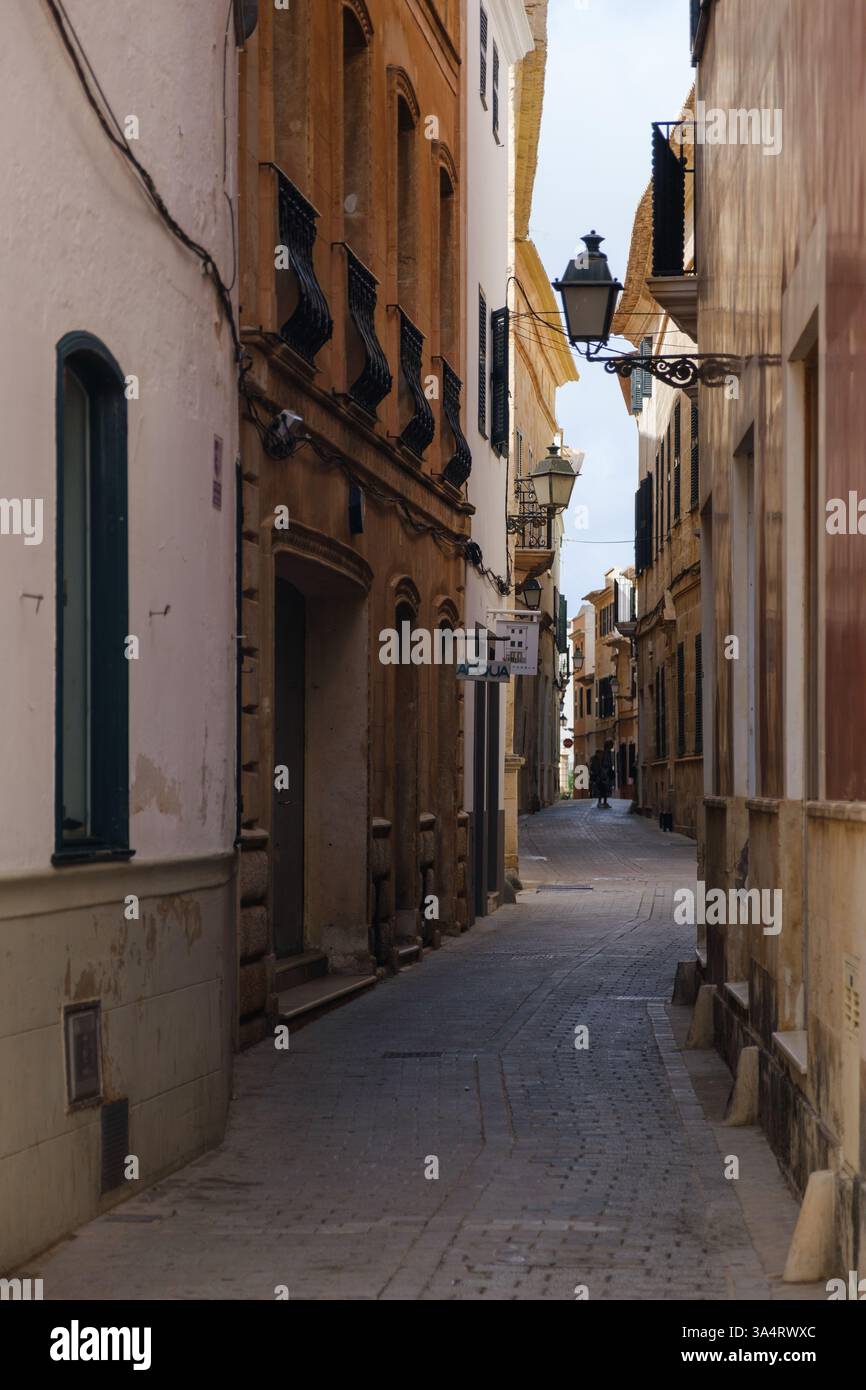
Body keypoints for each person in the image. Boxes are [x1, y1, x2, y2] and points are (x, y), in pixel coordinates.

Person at [599, 739, 615, 808]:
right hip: (606, 772)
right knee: (605, 787)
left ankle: (601, 802)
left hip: (604, 771)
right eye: (612, 745)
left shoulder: (604, 752)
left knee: (603, 787)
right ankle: (604, 802)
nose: (612, 746)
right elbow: (607, 762)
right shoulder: (607, 753)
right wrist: (609, 768)